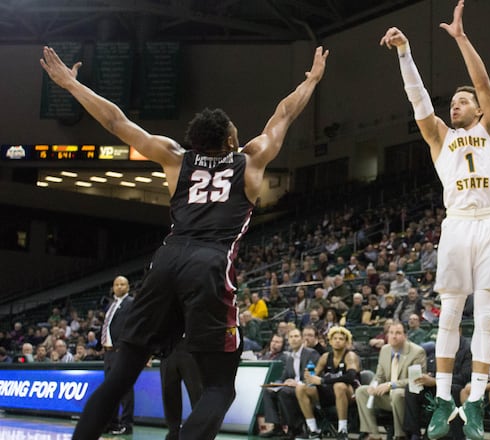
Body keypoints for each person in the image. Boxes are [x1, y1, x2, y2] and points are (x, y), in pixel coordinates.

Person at [40, 43, 329, 440]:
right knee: (219, 388)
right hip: (210, 265)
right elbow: (284, 114)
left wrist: (73, 86)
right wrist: (311, 80)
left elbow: (117, 122)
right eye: (234, 131)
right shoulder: (252, 158)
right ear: (230, 141)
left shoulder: (176, 158)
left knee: (120, 375)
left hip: (166, 261)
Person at [380, 3, 490, 439]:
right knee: (451, 314)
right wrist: (405, 53)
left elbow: (483, 82)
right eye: (452, 101)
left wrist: (460, 38)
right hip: (456, 223)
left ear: (477, 109)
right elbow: (417, 97)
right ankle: (442, 399)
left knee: (487, 315)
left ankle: (474, 402)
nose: (454, 105)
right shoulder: (440, 137)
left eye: (461, 101)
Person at [356, 321, 427, 440]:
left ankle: (400, 435)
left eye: (398, 333)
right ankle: (373, 434)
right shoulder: (385, 350)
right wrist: (373, 385)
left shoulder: (417, 352)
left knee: (396, 393)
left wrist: (391, 385)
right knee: (361, 391)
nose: (394, 336)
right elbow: (379, 376)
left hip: (407, 397)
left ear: (405, 336)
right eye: (391, 333)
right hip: (387, 396)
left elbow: (415, 380)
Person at [295, 326, 360, 440]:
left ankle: (342, 431)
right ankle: (313, 430)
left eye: (341, 339)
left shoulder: (350, 356)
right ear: (330, 341)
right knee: (301, 388)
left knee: (339, 386)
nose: (338, 341)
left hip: (350, 394)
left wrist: (323, 380)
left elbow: (350, 377)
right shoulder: (325, 357)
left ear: (346, 342)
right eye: (335, 338)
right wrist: (308, 377)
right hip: (330, 394)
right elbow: (312, 377)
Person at [258, 328, 321, 438]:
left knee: (284, 392)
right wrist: (276, 384)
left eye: (296, 336)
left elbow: (313, 376)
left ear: (302, 339)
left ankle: (295, 428)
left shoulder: (311, 353)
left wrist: (297, 382)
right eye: (291, 337)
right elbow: (283, 377)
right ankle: (277, 427)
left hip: (307, 388)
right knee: (268, 391)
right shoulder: (290, 357)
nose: (293, 339)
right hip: (291, 388)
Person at [99, 275, 135, 435]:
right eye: (116, 284)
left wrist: (124, 346)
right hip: (109, 352)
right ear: (113, 287)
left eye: (123, 284)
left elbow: (133, 326)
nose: (119, 287)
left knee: (125, 389)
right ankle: (111, 422)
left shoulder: (131, 303)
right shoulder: (112, 305)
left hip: (121, 351)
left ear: (128, 287)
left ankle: (127, 424)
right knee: (110, 390)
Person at [160, 337, 203, 440]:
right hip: (167, 347)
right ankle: (173, 432)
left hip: (191, 345)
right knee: (168, 392)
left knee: (197, 393)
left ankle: (201, 432)